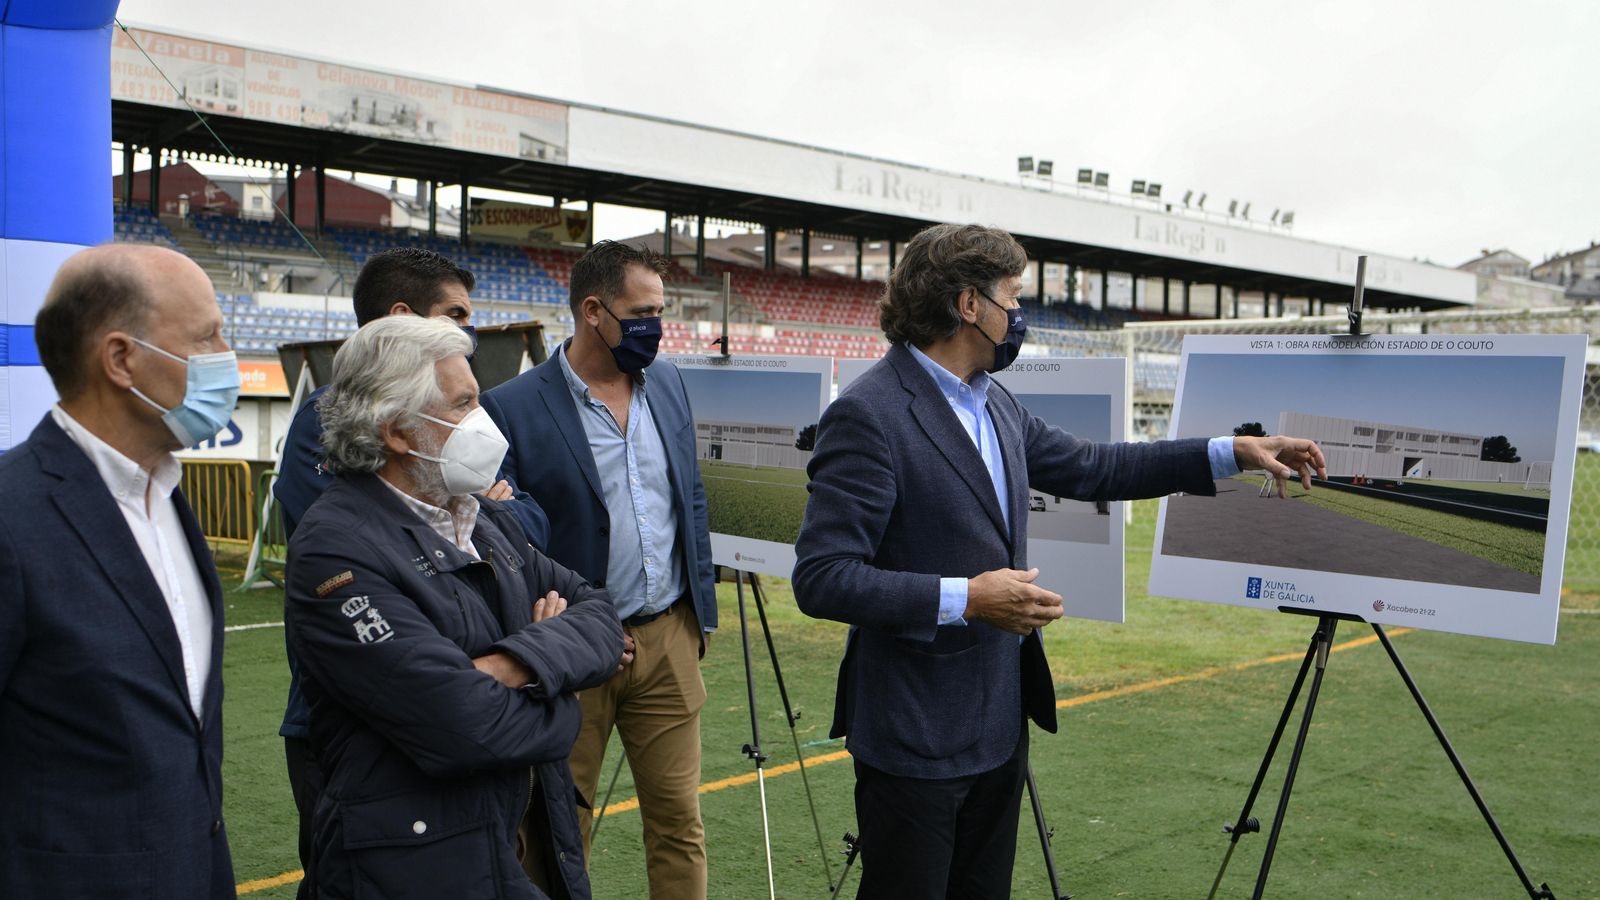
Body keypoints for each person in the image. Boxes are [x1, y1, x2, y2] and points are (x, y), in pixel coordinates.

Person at [791, 223, 1326, 898]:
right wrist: (969, 598)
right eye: (1013, 297)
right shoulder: (868, 413)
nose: (1019, 314)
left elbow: (1097, 466)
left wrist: (1231, 451)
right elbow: (823, 577)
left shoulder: (995, 402)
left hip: (997, 724)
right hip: (914, 732)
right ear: (969, 305)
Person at [284, 315, 624, 900]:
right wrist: (560, 694)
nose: (482, 419)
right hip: (410, 866)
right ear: (397, 431)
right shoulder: (335, 548)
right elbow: (464, 727)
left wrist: (513, 666)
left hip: (505, 833)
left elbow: (598, 612)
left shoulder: (483, 518)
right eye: (464, 403)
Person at [271, 247, 540, 898]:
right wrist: (540, 677)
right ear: (402, 316)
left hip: (473, 709)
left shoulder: (460, 418)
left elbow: (527, 520)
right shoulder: (327, 420)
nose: (472, 330)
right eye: (457, 315)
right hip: (359, 724)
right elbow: (373, 541)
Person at [0, 244, 238, 897]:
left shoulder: (168, 496)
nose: (226, 355)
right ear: (121, 359)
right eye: (206, 336)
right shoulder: (13, 516)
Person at [483, 240, 716, 898]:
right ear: (593, 311)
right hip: (573, 649)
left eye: (660, 312)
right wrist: (564, 637)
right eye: (642, 314)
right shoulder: (512, 406)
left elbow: (690, 498)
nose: (656, 328)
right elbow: (506, 537)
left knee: (679, 822)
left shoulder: (667, 382)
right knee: (559, 827)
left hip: (667, 638)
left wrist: (699, 618)